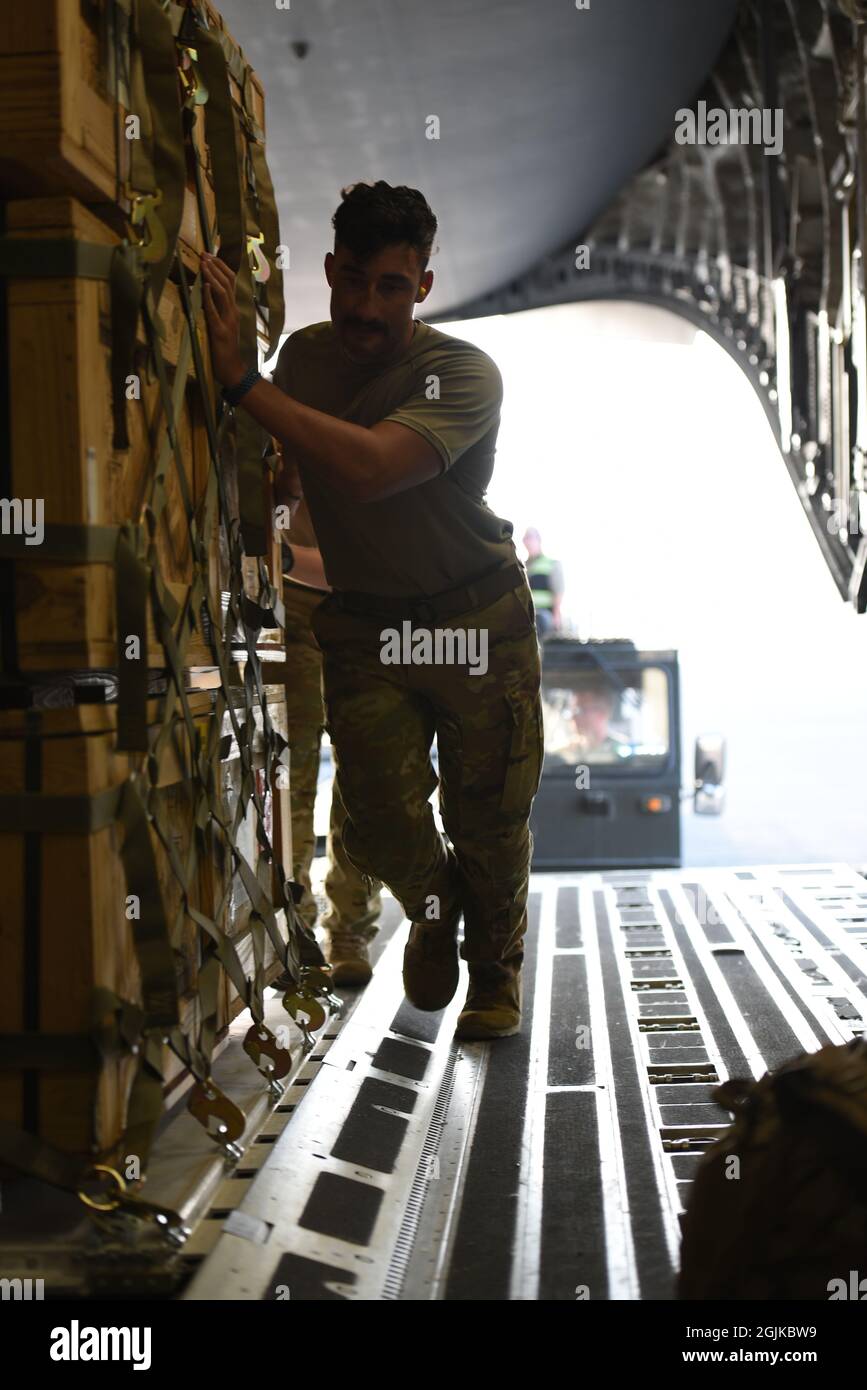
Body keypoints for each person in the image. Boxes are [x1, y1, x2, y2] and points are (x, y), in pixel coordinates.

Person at [201, 180, 544, 1040]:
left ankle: (494, 975)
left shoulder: (460, 372)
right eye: (351, 279)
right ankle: (435, 908)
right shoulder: (306, 363)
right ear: (328, 270)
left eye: (390, 285)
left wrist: (242, 382)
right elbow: (298, 465)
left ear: (422, 285)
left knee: (489, 816)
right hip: (366, 623)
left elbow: (374, 469)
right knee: (377, 814)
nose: (365, 304)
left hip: (474, 621)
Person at [277, 491, 383, 988]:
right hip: (283, 612)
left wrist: (286, 556)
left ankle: (348, 932)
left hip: (368, 609)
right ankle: (292, 932)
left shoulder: (375, 416)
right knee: (288, 778)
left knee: (361, 782)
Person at [522, 528, 564, 638]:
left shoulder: (552, 564)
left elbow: (558, 591)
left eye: (530, 538)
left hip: (545, 614)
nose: (528, 542)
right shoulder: (522, 567)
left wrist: (556, 615)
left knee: (538, 621)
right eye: (526, 538)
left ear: (539, 540)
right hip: (526, 615)